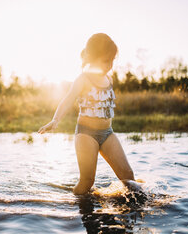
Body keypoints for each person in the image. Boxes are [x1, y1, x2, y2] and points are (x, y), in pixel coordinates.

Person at [38, 33, 135, 195]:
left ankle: (131, 208)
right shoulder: (83, 79)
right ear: (92, 58)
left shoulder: (109, 79)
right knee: (87, 181)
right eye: (105, 60)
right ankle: (73, 205)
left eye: (112, 60)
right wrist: (55, 120)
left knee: (128, 177)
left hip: (107, 133)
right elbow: (68, 99)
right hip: (86, 134)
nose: (109, 65)